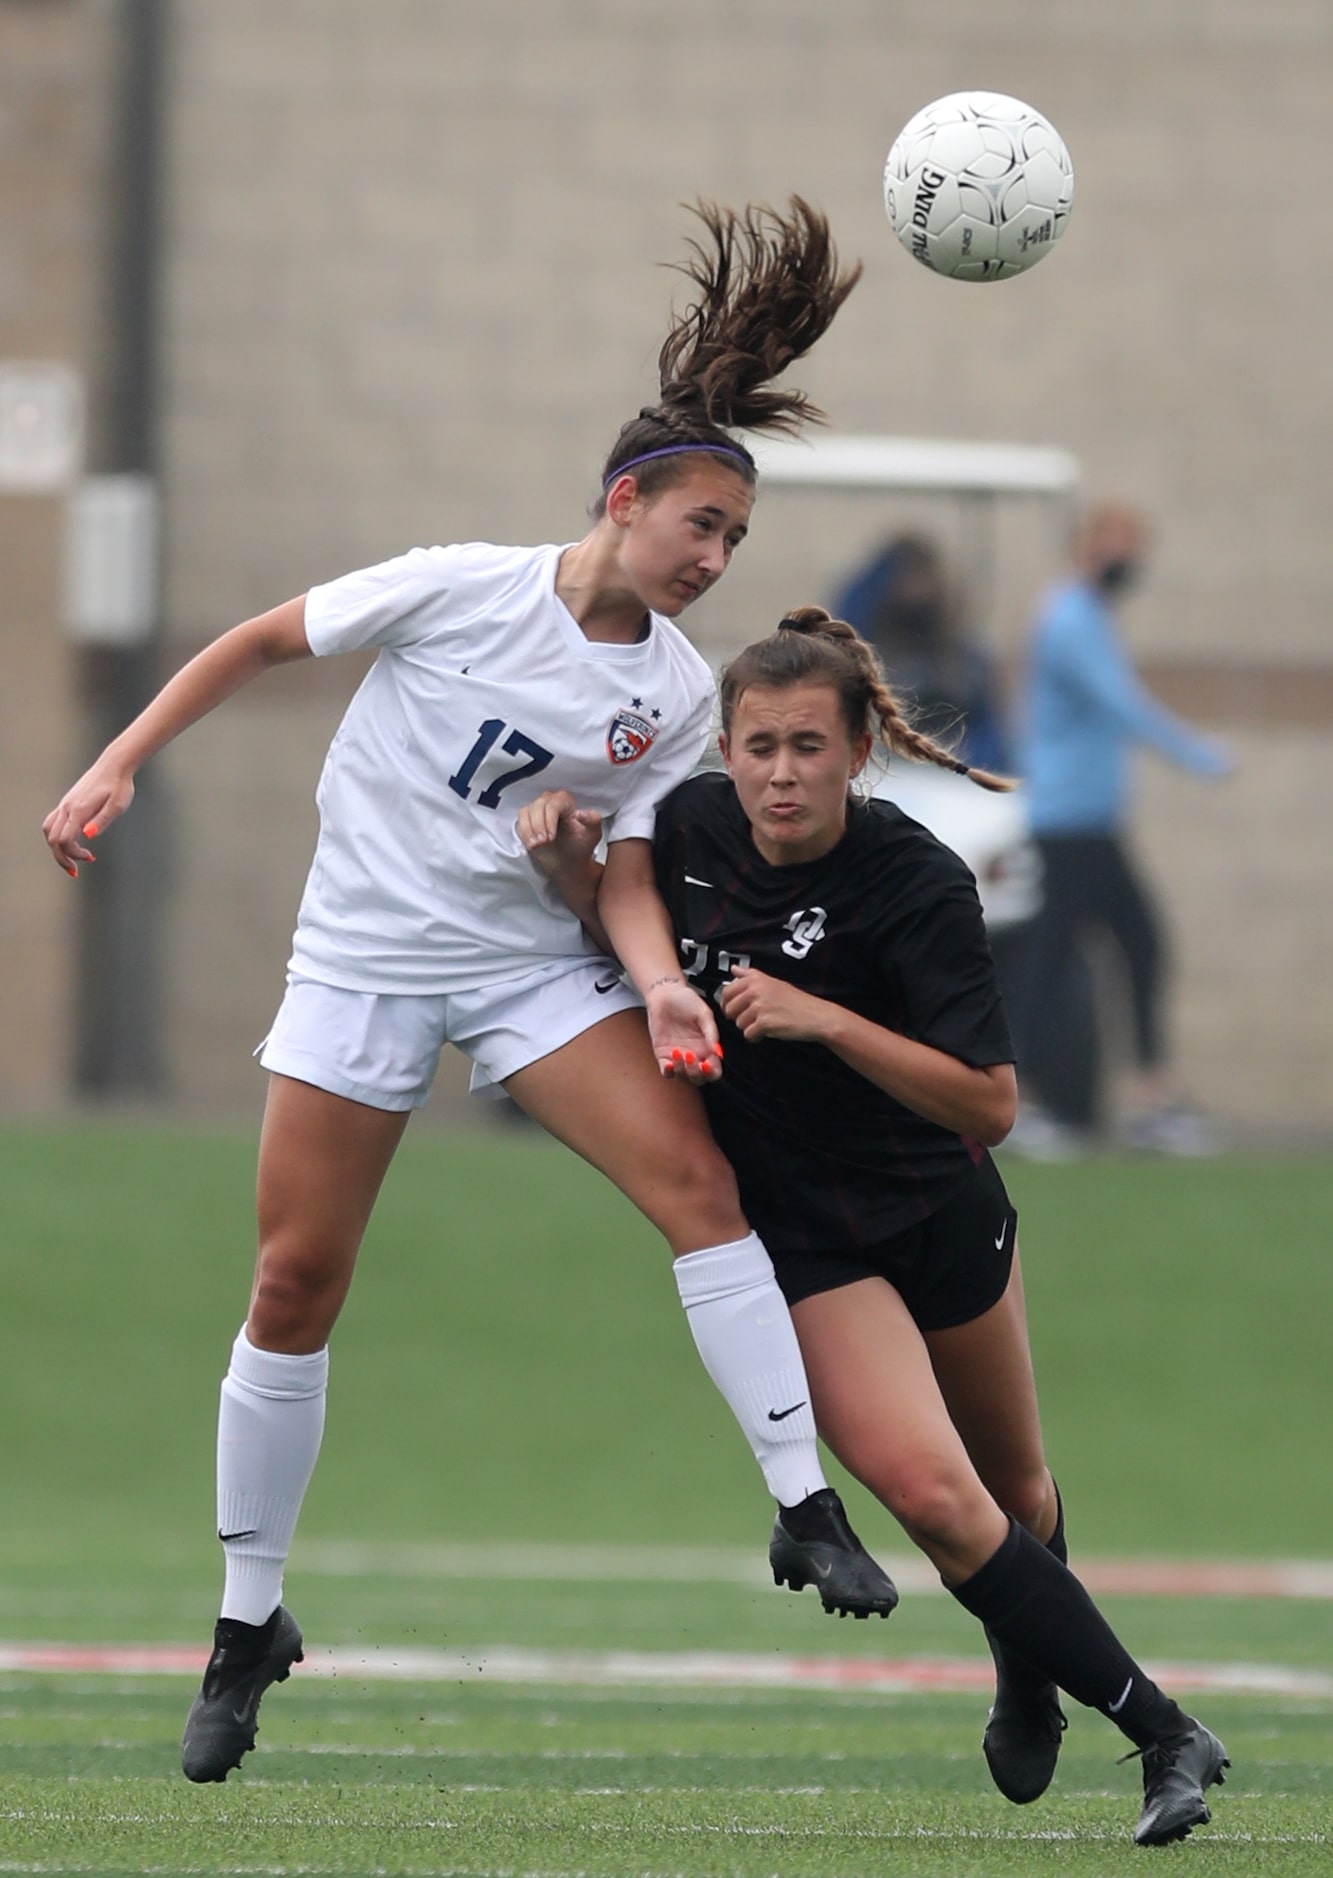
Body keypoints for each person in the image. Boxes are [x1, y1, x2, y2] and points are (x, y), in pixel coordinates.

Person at [40, 199, 899, 1785]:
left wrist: (653, 988)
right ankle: (246, 1622)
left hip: (524, 969)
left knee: (702, 1188)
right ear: (624, 500)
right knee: (295, 1284)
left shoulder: (661, 693)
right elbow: (252, 641)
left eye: (735, 545)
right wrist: (112, 765)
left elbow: (624, 875)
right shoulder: (457, 588)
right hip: (363, 961)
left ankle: (803, 1507)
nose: (714, 562)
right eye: (700, 527)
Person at [519, 608, 1230, 1848]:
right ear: (724, 751)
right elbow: (630, 940)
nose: (779, 773)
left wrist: (825, 1020)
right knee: (934, 1497)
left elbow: (992, 1105)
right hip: (805, 1238)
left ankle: (1027, 1667)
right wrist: (571, 881)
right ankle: (1165, 1732)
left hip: (935, 1206)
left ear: (858, 752)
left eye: (806, 745)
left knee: (1014, 1487)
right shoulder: (685, 832)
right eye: (756, 746)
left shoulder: (915, 878)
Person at [1010, 503, 1233, 1155]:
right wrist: (1199, 755)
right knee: (1059, 958)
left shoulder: (1088, 617)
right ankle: (1020, 1103)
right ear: (1085, 546)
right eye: (1117, 544)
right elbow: (1121, 702)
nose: (1127, 559)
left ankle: (1149, 1098)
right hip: (1066, 826)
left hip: (1088, 824)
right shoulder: (1068, 618)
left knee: (1132, 946)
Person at [832, 530, 1009, 773]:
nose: (916, 589)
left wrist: (964, 761)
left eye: (922, 578)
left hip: (950, 769)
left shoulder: (962, 656)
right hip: (890, 768)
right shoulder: (870, 645)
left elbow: (988, 730)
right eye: (908, 578)